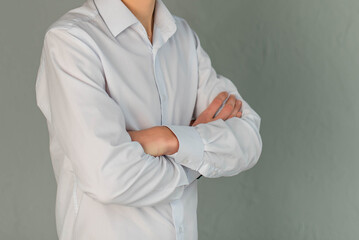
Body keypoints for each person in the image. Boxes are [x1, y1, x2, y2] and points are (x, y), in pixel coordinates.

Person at [35, 0, 263, 239]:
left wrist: (167, 139)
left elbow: (247, 138)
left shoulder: (182, 37)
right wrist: (195, 157)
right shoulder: (71, 40)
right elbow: (109, 178)